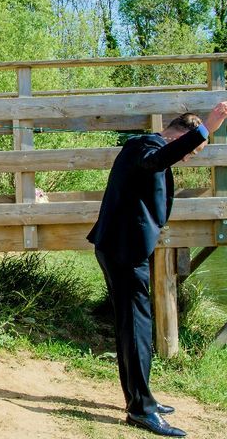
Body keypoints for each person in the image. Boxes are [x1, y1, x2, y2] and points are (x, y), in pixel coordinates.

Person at [87, 101, 227, 437]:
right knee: (136, 329)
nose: (188, 157)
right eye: (191, 149)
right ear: (182, 134)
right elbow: (158, 161)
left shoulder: (147, 148)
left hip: (123, 249)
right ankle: (140, 409)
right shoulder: (145, 146)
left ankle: (139, 396)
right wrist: (207, 128)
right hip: (122, 251)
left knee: (134, 325)